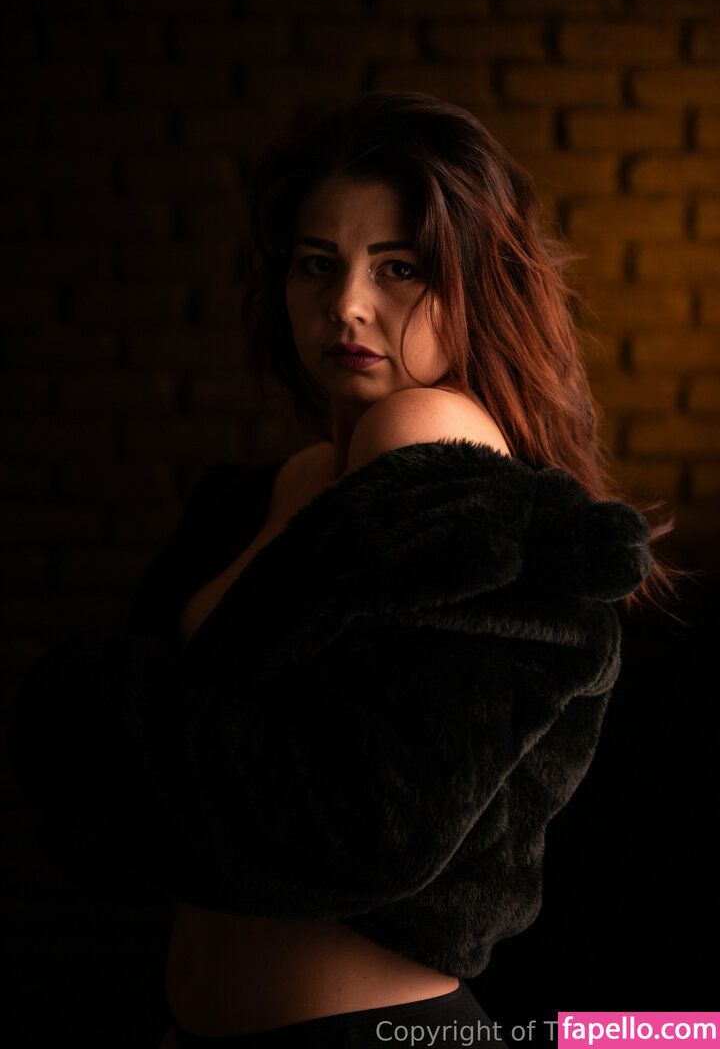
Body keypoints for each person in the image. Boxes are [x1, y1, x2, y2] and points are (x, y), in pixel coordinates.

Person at [9, 91, 667, 1049]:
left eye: (400, 268)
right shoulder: (287, 483)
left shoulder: (427, 433)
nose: (347, 304)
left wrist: (73, 711)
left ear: (474, 284)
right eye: (318, 263)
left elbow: (366, 827)